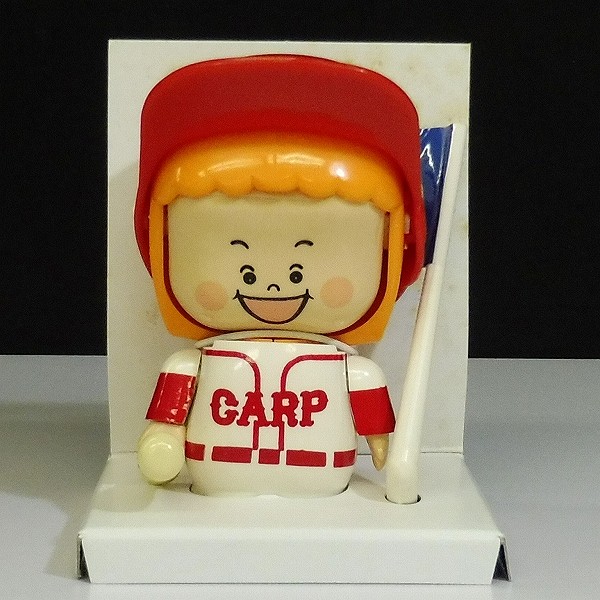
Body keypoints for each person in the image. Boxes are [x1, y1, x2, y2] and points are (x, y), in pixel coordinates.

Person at [134, 55, 426, 497]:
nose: (273, 287)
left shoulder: (353, 369)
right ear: (165, 246)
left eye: (298, 270)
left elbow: (375, 422)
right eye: (246, 272)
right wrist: (163, 438)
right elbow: (169, 416)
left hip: (321, 474)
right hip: (219, 471)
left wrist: (386, 446)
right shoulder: (191, 363)